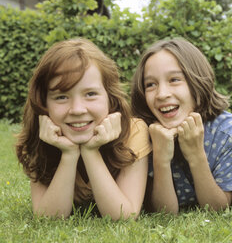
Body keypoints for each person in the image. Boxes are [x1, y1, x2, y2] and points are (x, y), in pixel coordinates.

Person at [15, 38, 151, 220]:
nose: (78, 109)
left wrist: (90, 151)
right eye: (62, 97)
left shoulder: (133, 131)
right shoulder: (40, 136)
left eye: (91, 94)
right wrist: (69, 155)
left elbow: (124, 217)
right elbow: (48, 218)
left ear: (110, 98)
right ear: (43, 102)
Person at [131, 38, 232, 213]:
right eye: (150, 85)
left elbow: (217, 209)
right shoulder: (141, 134)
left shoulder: (228, 131)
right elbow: (164, 214)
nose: (162, 94)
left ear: (198, 81)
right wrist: (161, 159)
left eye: (174, 79)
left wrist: (195, 154)